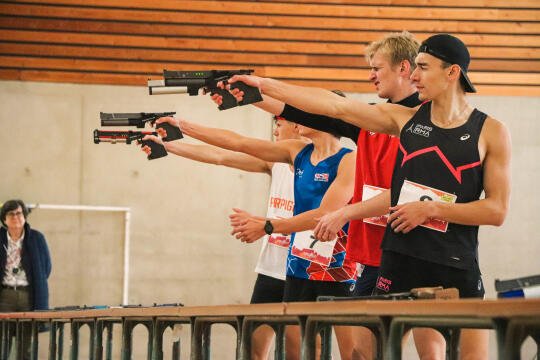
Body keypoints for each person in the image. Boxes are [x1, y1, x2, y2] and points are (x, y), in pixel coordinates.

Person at [227, 33, 510, 360]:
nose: (414, 76)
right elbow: (335, 105)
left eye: (423, 68)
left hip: (456, 263)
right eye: (414, 67)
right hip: (399, 258)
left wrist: (431, 209)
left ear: (453, 72)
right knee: (362, 354)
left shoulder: (491, 131)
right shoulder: (403, 119)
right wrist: (262, 84)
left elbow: (496, 210)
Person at [148, 115, 358, 359]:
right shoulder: (293, 152)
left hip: (335, 265)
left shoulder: (348, 160)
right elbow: (233, 146)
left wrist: (266, 225)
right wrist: (176, 135)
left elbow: (324, 214)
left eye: (283, 122)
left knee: (351, 352)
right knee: (290, 349)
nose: (278, 129)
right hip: (292, 266)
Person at [0, 199, 52, 359]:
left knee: (26, 346)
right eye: (11, 214)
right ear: (4, 219)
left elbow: (46, 268)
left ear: (25, 216)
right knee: (2, 344)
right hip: (4, 296)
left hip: (28, 296)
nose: (16, 217)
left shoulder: (37, 238)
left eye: (19, 213)